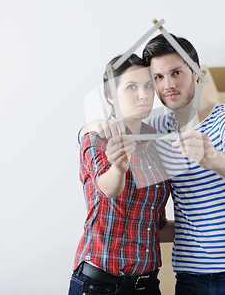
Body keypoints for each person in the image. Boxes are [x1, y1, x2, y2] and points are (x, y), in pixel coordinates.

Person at [85, 35, 225, 295]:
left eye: (176, 72)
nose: (169, 84)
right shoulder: (159, 131)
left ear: (197, 73)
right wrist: (89, 127)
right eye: (158, 77)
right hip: (191, 276)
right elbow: (103, 139)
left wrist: (212, 158)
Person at [70, 54, 174, 295]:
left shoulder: (157, 142)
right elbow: (107, 187)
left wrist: (211, 228)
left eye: (148, 85)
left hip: (148, 285)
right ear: (110, 96)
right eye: (131, 87)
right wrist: (118, 168)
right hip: (99, 285)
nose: (143, 94)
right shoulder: (97, 136)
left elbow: (153, 225)